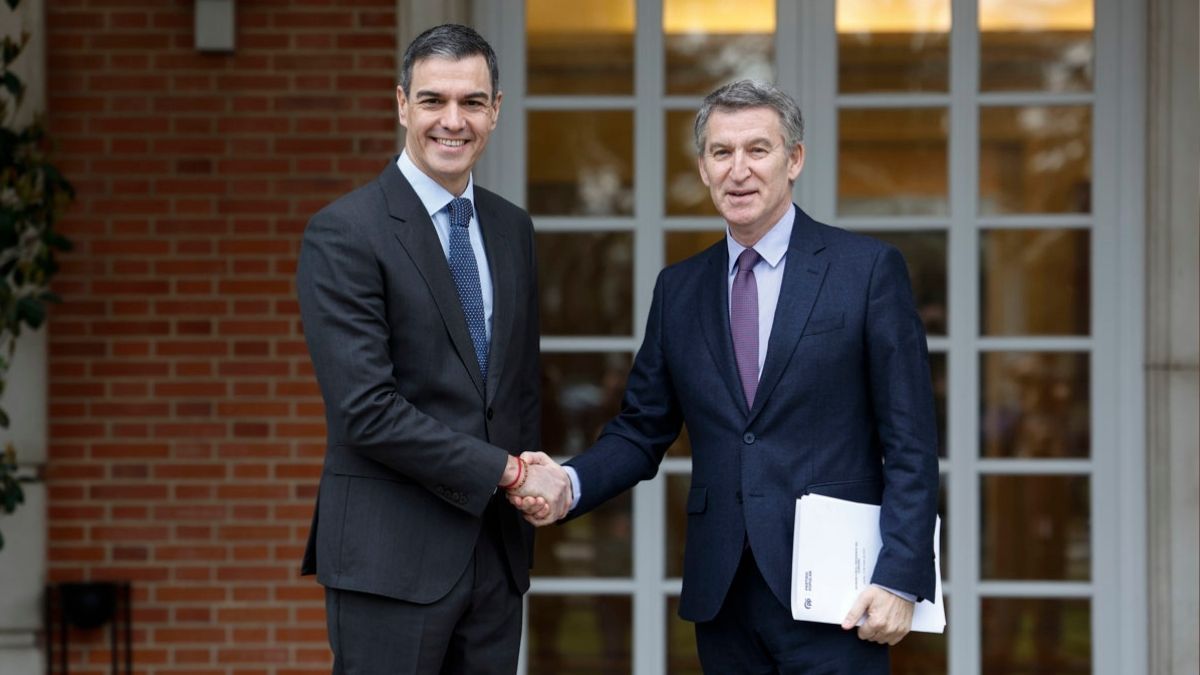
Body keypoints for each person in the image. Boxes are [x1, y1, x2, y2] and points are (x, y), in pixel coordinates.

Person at [513, 80, 939, 674]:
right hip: (724, 596)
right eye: (722, 152)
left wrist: (900, 576)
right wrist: (569, 481)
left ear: (794, 159)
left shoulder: (865, 271)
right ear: (703, 169)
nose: (739, 170)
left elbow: (911, 440)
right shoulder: (679, 289)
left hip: (840, 597)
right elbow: (641, 429)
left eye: (758, 150)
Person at [296, 24, 566, 675]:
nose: (453, 120)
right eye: (432, 100)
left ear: (495, 110)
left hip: (496, 557)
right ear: (401, 105)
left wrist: (530, 482)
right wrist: (508, 471)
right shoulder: (345, 232)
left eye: (471, 102)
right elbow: (366, 410)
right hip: (390, 560)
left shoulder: (511, 228)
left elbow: (518, 387)